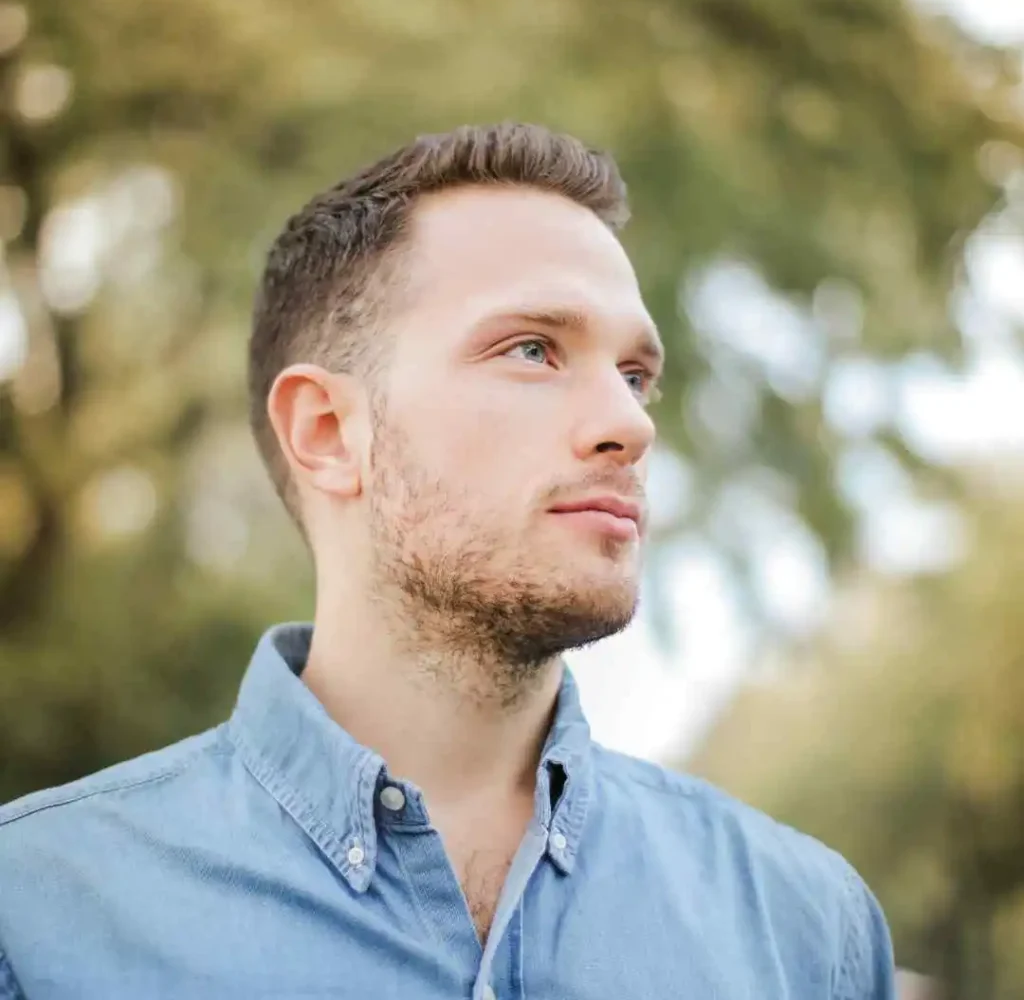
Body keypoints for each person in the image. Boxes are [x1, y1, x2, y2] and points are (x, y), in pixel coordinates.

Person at [0, 123, 896, 999]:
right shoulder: (35, 921)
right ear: (327, 433)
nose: (632, 423)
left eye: (633, 375)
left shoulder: (809, 932)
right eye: (533, 349)